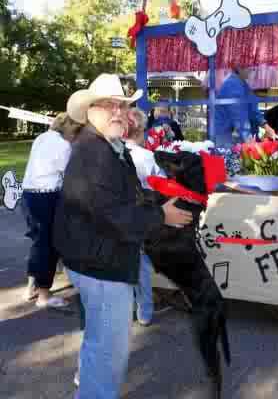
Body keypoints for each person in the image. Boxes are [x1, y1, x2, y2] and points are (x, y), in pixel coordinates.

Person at [53, 73, 193, 399]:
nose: (117, 111)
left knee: (98, 341)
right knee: (108, 350)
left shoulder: (108, 145)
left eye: (121, 105)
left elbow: (128, 196)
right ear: (89, 112)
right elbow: (112, 214)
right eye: (106, 106)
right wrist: (162, 215)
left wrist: (160, 202)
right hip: (100, 263)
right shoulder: (94, 152)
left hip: (95, 258)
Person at [22, 113, 82, 307]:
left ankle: (32, 286)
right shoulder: (63, 145)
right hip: (46, 196)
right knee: (48, 245)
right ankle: (44, 296)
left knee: (38, 243)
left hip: (29, 194)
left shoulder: (42, 137)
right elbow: (71, 174)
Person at [126, 107, 163, 326]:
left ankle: (130, 307)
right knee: (143, 268)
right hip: (144, 216)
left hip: (121, 217)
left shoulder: (115, 154)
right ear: (141, 131)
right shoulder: (148, 157)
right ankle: (145, 311)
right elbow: (163, 187)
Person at [215, 66, 276, 147]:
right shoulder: (232, 85)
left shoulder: (241, 83)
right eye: (248, 66)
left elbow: (253, 109)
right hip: (226, 136)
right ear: (239, 67)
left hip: (237, 135)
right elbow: (240, 119)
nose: (252, 68)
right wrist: (252, 144)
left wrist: (266, 127)